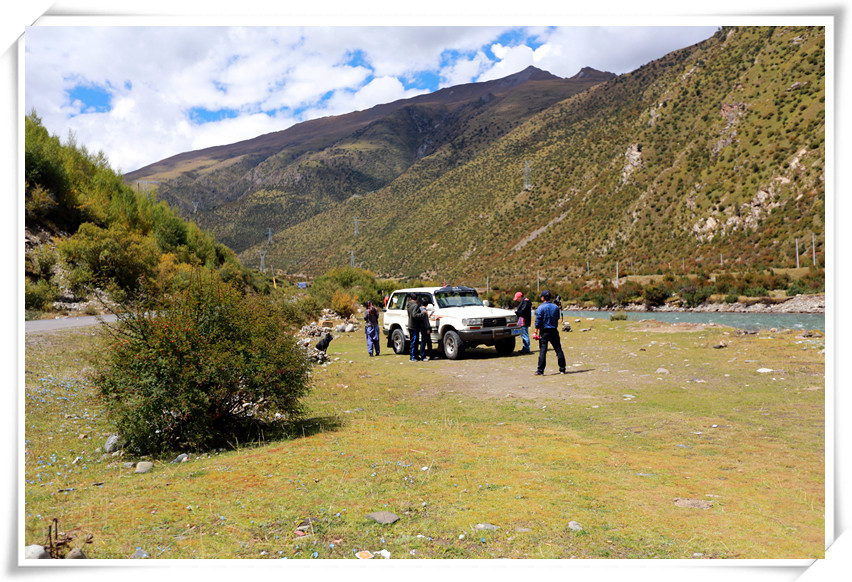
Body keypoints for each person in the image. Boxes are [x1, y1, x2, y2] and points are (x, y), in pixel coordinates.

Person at [533, 289, 566, 375]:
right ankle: (562, 368)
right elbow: (557, 317)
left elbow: (538, 321)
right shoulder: (556, 307)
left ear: (543, 298)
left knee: (543, 351)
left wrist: (535, 332)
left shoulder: (540, 308)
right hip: (554, 330)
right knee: (558, 349)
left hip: (544, 331)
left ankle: (540, 370)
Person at [406, 293, 425, 361]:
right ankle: (412, 357)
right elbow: (414, 315)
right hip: (414, 326)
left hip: (410, 325)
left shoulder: (409, 304)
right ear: (416, 299)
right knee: (414, 342)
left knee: (414, 341)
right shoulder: (415, 305)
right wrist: (423, 313)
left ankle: (415, 355)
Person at [418, 296, 433, 360]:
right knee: (424, 342)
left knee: (425, 342)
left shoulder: (419, 309)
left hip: (421, 327)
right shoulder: (424, 311)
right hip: (425, 328)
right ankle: (423, 356)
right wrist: (428, 329)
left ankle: (429, 355)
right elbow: (425, 321)